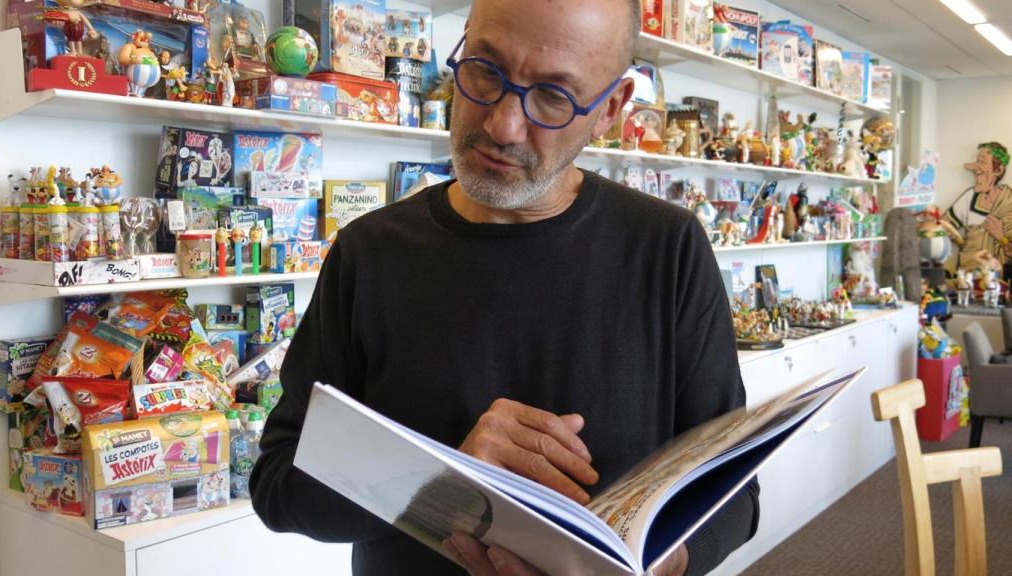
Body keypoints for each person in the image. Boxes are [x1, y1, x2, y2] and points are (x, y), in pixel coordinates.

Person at [250, 0, 758, 575]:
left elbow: (734, 494)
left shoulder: (669, 249)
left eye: (553, 97)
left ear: (610, 109)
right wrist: (439, 480)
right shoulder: (370, 252)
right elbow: (278, 483)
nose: (501, 126)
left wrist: (662, 564)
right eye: (485, 70)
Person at [943, 142, 1012, 270]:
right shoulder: (970, 197)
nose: (975, 168)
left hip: (999, 276)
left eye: (982, 162)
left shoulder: (1009, 202)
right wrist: (964, 244)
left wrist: (1001, 237)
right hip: (969, 274)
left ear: (998, 170)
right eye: (977, 161)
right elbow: (944, 226)